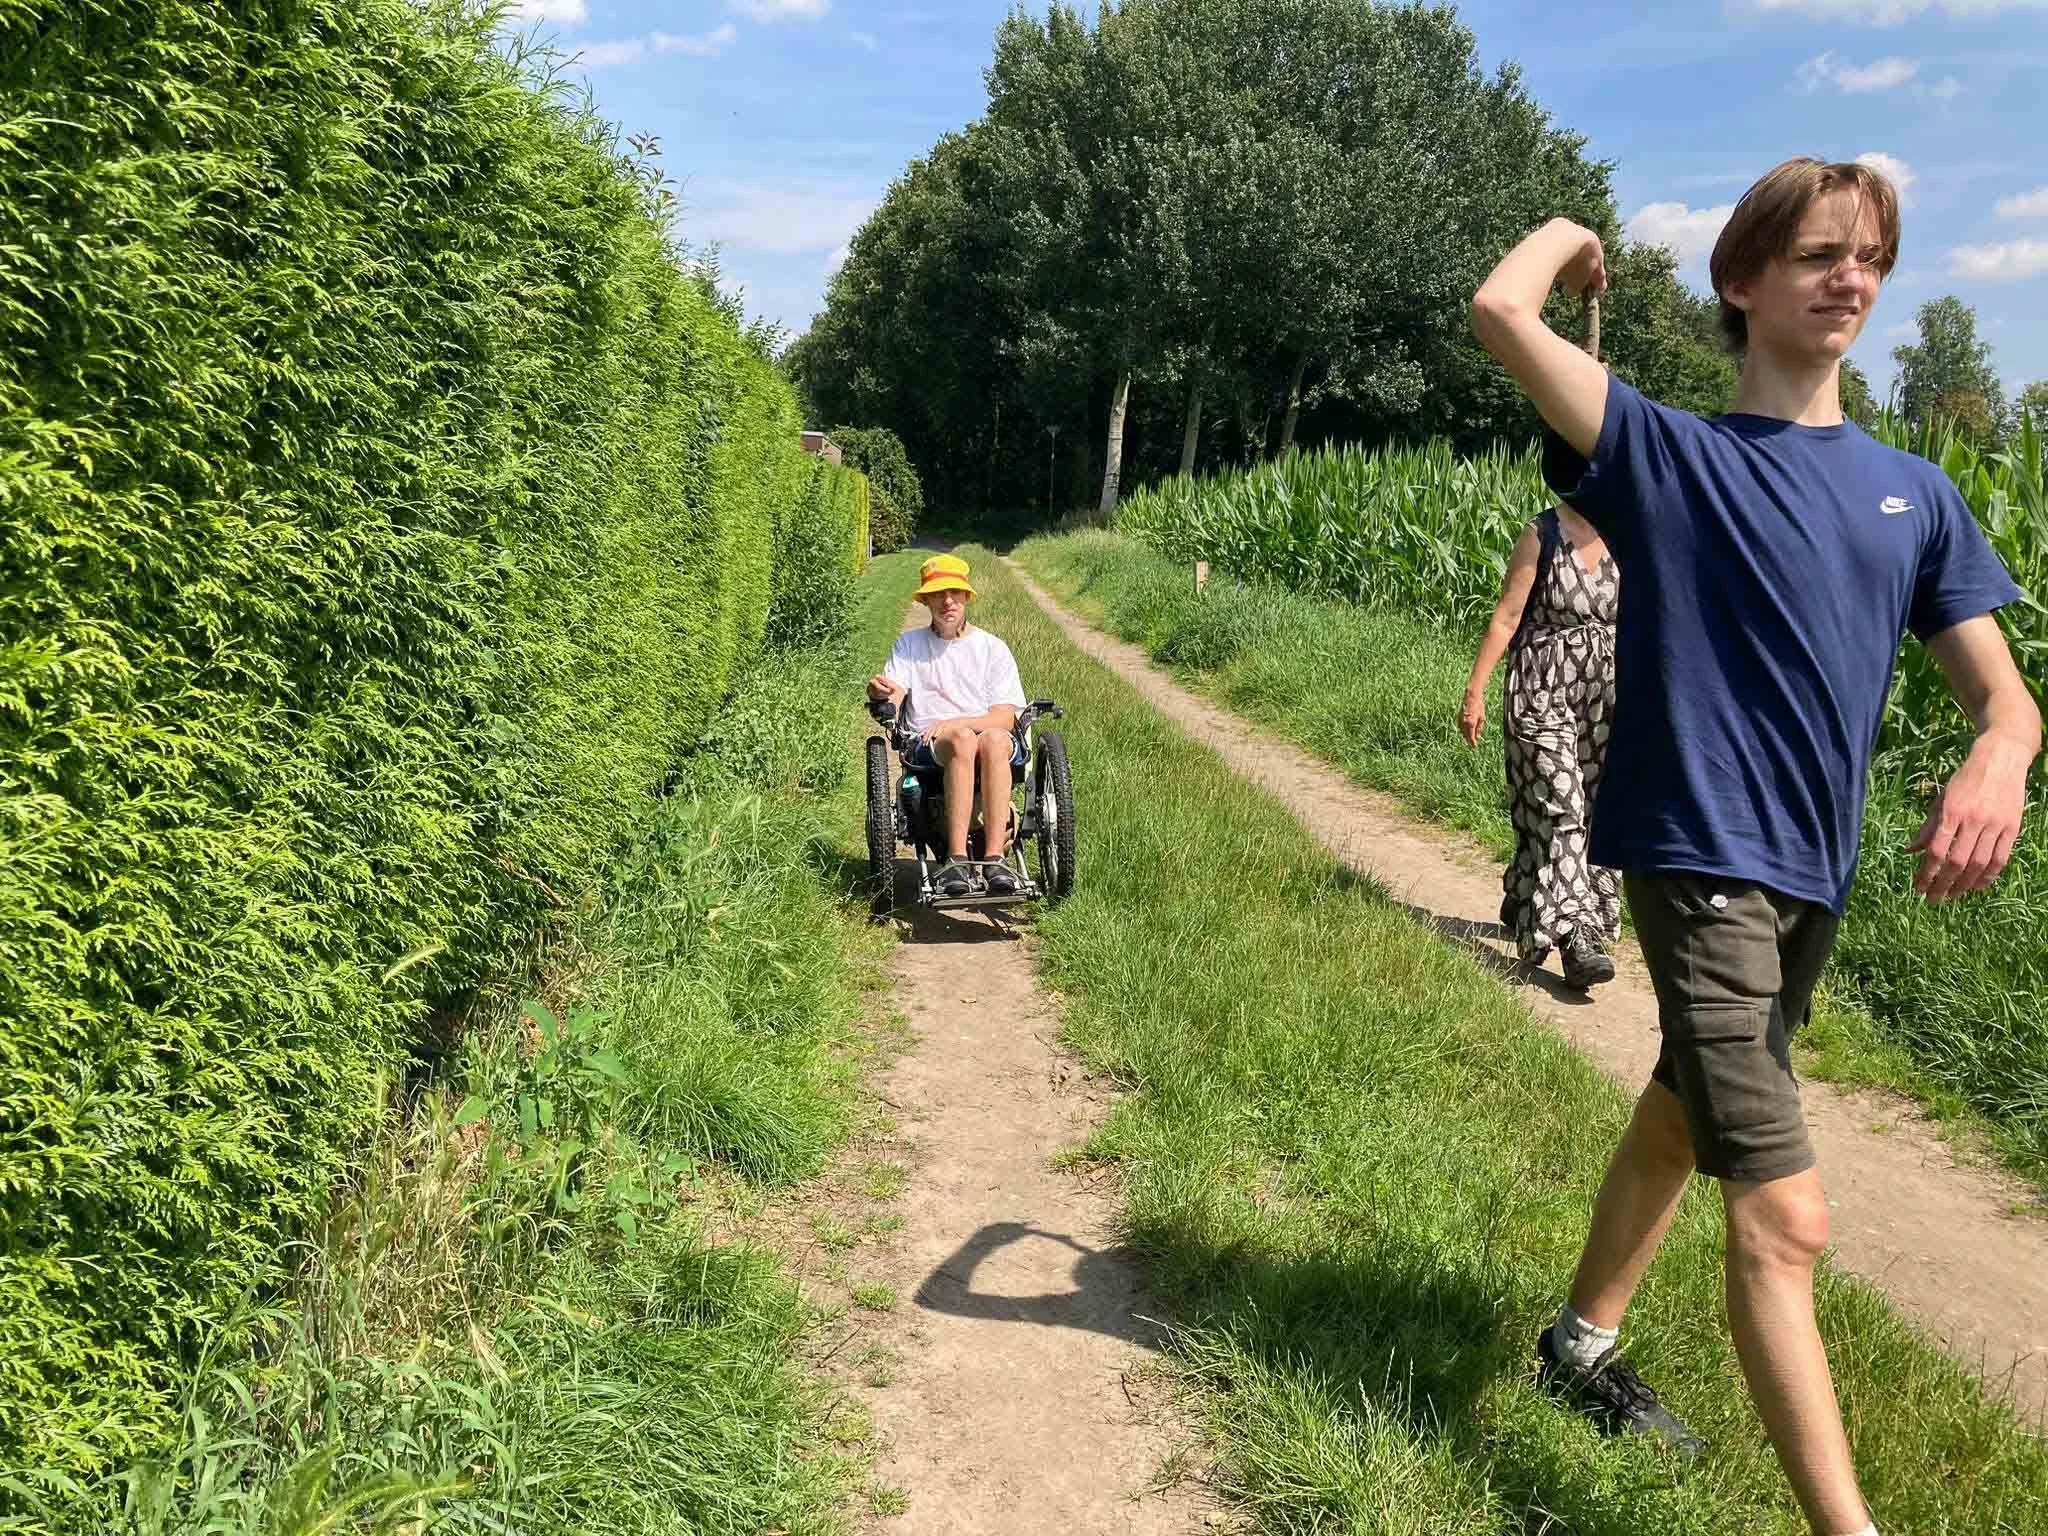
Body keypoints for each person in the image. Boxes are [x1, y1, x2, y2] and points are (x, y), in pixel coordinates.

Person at [1470, 158, 2038, 1536]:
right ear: (1742, 282)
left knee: (1686, 1108)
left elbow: (2002, 690)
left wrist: (2003, 752)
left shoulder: (1917, 496)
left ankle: (1579, 1343)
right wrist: (1577, 237)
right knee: (1787, 1223)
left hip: (1811, 879)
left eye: (1871, 260)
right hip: (1700, 858)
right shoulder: (1669, 457)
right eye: (1818, 256)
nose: (1851, 279)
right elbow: (1500, 306)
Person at [1462, 498, 1621, 989]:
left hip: (1603, 702)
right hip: (1539, 692)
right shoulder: (1542, 534)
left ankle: (1525, 889)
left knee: (1595, 811)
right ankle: (1578, 938)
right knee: (1564, 807)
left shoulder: (1626, 532)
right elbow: (1507, 618)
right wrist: (1475, 691)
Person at [867, 554, 1029, 897]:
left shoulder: (991, 648)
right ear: (926, 600)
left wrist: (957, 721)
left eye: (954, 592)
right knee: (961, 740)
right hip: (929, 745)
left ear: (967, 596)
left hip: (983, 736)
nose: (947, 601)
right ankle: (955, 859)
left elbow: (1005, 716)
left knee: (996, 740)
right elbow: (894, 692)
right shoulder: (909, 646)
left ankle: (995, 858)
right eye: (938, 594)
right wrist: (880, 693)